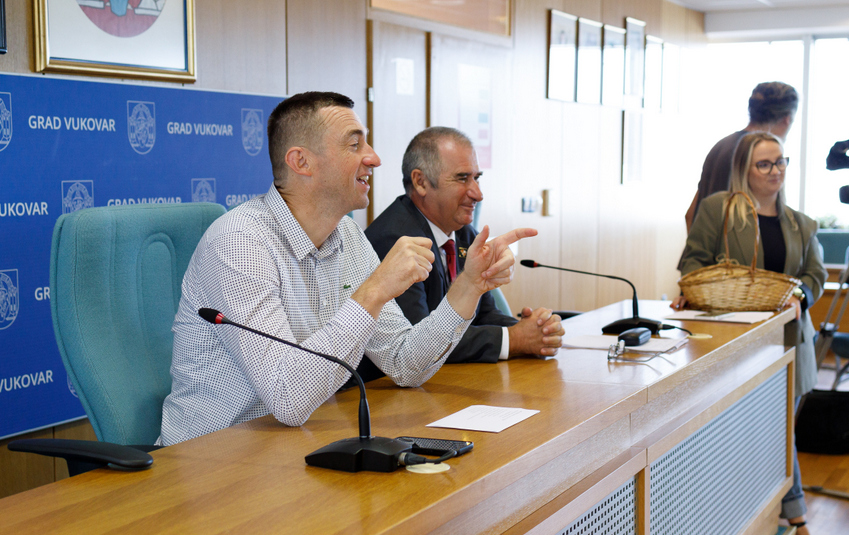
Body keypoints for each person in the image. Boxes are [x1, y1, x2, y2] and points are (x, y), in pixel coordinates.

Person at [159, 92, 536, 446]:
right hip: (210, 457)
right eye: (355, 145)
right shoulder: (240, 243)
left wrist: (469, 286)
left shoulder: (348, 235)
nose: (374, 158)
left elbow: (404, 364)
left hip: (294, 447)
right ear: (301, 162)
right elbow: (287, 398)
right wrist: (374, 290)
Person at [674, 131, 826, 535]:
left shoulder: (801, 223)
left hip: (789, 341)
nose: (776, 171)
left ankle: (790, 520)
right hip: (736, 342)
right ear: (745, 169)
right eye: (765, 164)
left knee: (779, 433)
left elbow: (815, 275)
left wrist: (801, 295)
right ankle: (775, 524)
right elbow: (693, 261)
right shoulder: (718, 209)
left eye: (781, 162)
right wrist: (692, 289)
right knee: (753, 435)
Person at [362, 127, 563, 375]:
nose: (478, 193)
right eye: (462, 178)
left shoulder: (464, 233)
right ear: (421, 182)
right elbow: (418, 342)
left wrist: (535, 330)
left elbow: (484, 314)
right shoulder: (394, 240)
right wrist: (514, 339)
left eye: (477, 178)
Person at [682, 81, 799, 235]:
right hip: (731, 248)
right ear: (787, 120)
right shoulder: (747, 153)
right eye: (764, 165)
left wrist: (699, 247)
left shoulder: (721, 145)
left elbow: (691, 214)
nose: (774, 170)